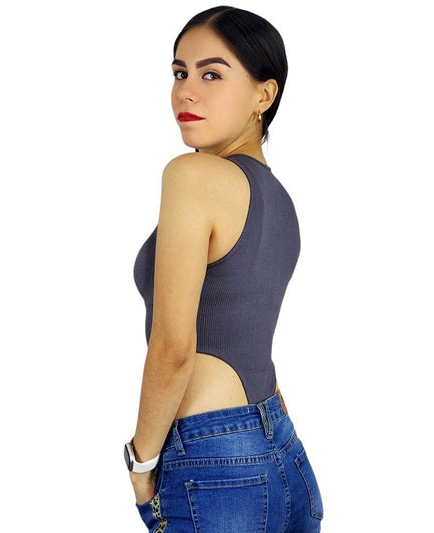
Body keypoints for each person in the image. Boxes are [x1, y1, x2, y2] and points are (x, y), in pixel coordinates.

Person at [125, 6, 324, 532]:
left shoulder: (192, 175)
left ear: (264, 95)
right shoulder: (279, 200)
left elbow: (173, 347)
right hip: (283, 453)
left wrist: (141, 461)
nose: (186, 92)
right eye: (179, 73)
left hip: (215, 464)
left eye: (211, 74)